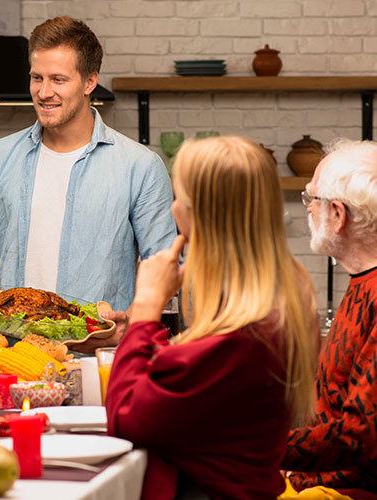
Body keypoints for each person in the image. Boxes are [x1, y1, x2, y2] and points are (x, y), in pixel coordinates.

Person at [106, 136, 319, 500]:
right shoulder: (287, 291)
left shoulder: (242, 335)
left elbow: (126, 417)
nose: (174, 211)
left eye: (180, 200)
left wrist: (145, 307)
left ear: (201, 217)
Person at [0, 16, 177, 339]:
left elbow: (163, 264)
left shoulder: (140, 166)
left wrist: (134, 322)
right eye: (36, 78)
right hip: (12, 355)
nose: (43, 92)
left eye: (58, 80)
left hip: (98, 358)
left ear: (90, 82)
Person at [281, 140, 377, 500]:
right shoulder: (361, 280)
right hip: (318, 479)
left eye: (312, 199)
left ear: (337, 215)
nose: (308, 209)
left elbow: (358, 436)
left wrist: (256, 448)